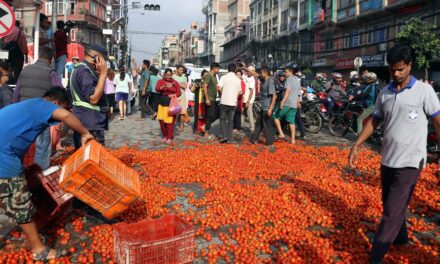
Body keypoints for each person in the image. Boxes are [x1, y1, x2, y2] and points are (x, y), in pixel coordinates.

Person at [348, 45, 440, 264]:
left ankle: (376, 256)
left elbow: (437, 121)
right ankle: (401, 239)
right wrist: (356, 144)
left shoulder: (424, 91)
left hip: (411, 161)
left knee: (391, 211)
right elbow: (374, 121)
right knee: (389, 203)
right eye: (392, 70)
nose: (396, 74)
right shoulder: (386, 92)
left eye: (400, 69)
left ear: (409, 66)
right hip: (388, 159)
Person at [0, 87, 94, 261]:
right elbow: (65, 116)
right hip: (3, 158)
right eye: (64, 107)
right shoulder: (43, 105)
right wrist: (85, 133)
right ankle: (39, 250)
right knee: (21, 204)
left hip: (5, 152)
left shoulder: (26, 106)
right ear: (56, 102)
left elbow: (12, 136)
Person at [13, 46, 62, 170]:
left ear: (39, 56)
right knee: (42, 145)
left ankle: (20, 169)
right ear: (51, 59)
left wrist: (14, 108)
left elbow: (16, 92)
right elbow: (60, 92)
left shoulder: (25, 70)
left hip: (23, 112)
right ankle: (40, 172)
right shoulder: (51, 72)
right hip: (41, 113)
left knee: (22, 143)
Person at [70, 44, 109, 149]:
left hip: (85, 120)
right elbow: (94, 98)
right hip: (90, 123)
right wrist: (103, 73)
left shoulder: (81, 68)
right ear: (97, 58)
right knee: (92, 159)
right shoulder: (85, 71)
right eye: (104, 60)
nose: (105, 64)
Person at [273, 64, 301, 144]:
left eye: (286, 72)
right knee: (291, 122)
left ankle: (281, 134)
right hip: (294, 104)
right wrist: (298, 102)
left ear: (290, 72)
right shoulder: (297, 79)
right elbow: (299, 92)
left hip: (287, 103)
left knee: (275, 116)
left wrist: (282, 102)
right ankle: (293, 140)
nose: (284, 73)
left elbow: (287, 91)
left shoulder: (289, 79)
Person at [250, 68, 276, 149]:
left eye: (262, 72)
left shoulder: (270, 81)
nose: (260, 74)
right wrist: (245, 68)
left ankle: (270, 143)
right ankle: (254, 139)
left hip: (267, 108)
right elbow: (255, 74)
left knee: (267, 126)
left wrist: (270, 109)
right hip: (263, 107)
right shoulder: (264, 79)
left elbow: (274, 96)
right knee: (259, 124)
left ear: (265, 73)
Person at [217, 63, 242, 144]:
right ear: (235, 70)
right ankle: (230, 139)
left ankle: (224, 136)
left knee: (223, 119)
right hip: (233, 103)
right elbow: (240, 92)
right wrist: (234, 96)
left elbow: (219, 88)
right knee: (231, 121)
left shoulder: (224, 77)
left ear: (228, 69)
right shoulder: (238, 80)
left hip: (224, 102)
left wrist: (222, 94)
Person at [156, 68, 181, 144]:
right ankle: (165, 136)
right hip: (161, 103)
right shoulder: (160, 81)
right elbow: (157, 89)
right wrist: (163, 86)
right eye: (167, 75)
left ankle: (170, 137)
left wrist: (173, 95)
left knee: (170, 122)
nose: (168, 77)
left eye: (170, 75)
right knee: (162, 121)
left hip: (171, 104)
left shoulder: (175, 82)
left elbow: (179, 93)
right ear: (164, 74)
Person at [203, 63, 220, 139]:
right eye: (218, 69)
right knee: (211, 116)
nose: (218, 70)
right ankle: (206, 132)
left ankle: (205, 126)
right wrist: (207, 98)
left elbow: (216, 88)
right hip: (209, 99)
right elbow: (205, 87)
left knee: (218, 114)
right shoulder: (208, 76)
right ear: (214, 68)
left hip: (214, 99)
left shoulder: (214, 77)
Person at [173, 65, 188, 132]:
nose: (182, 72)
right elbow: (172, 85)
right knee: (174, 111)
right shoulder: (173, 76)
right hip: (175, 96)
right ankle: (172, 124)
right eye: (180, 70)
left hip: (182, 96)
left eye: (182, 70)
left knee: (182, 112)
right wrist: (180, 84)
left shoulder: (184, 77)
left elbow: (185, 86)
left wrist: (177, 84)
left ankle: (181, 125)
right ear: (177, 70)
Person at [192, 70, 208, 134]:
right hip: (198, 101)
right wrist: (195, 86)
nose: (206, 76)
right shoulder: (197, 81)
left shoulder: (208, 82)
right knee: (198, 116)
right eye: (205, 75)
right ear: (201, 76)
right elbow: (192, 90)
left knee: (204, 116)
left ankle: (203, 129)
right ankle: (197, 129)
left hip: (205, 101)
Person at [244, 66, 257, 132]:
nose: (248, 72)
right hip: (244, 99)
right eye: (247, 71)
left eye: (249, 71)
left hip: (249, 100)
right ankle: (240, 127)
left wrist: (248, 101)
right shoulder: (246, 77)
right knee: (242, 113)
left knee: (249, 113)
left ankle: (252, 127)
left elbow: (251, 91)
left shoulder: (252, 79)